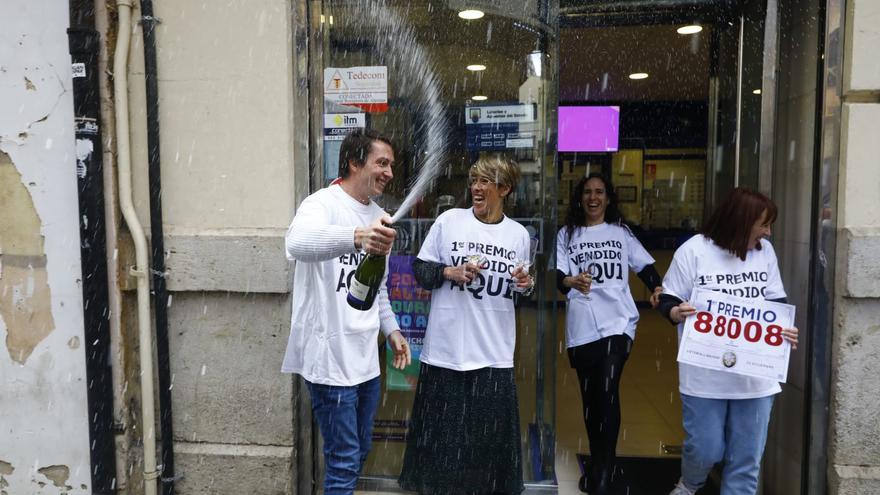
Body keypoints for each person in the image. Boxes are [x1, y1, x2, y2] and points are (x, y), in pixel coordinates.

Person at [282, 128, 411, 495]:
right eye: (381, 163)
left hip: (365, 358)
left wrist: (393, 331)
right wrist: (355, 237)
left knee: (359, 451)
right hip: (328, 357)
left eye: (391, 165)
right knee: (343, 458)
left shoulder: (381, 215)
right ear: (355, 162)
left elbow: (377, 288)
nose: (388, 172)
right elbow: (296, 243)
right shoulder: (321, 204)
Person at [398, 155, 534, 495]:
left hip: (493, 355)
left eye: (486, 181)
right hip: (446, 351)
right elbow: (421, 272)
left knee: (484, 448)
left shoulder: (518, 234)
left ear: (505, 189)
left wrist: (525, 284)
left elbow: (523, 290)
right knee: (442, 445)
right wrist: (448, 272)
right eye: (474, 180)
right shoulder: (449, 222)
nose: (476, 187)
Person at [657, 187, 799, 495]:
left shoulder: (764, 253)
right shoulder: (694, 251)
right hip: (705, 375)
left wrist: (785, 330)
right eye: (764, 224)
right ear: (741, 221)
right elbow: (667, 299)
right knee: (705, 449)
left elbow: (776, 303)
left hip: (755, 375)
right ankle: (690, 484)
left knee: (746, 461)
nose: (769, 233)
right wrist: (676, 313)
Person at [555, 173, 663, 495]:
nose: (593, 198)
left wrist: (659, 289)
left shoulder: (620, 232)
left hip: (618, 322)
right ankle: (601, 463)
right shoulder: (567, 233)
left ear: (608, 198)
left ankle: (604, 471)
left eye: (599, 192)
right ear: (580, 198)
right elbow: (559, 276)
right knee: (591, 401)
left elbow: (644, 267)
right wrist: (571, 282)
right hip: (583, 325)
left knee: (607, 390)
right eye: (588, 192)